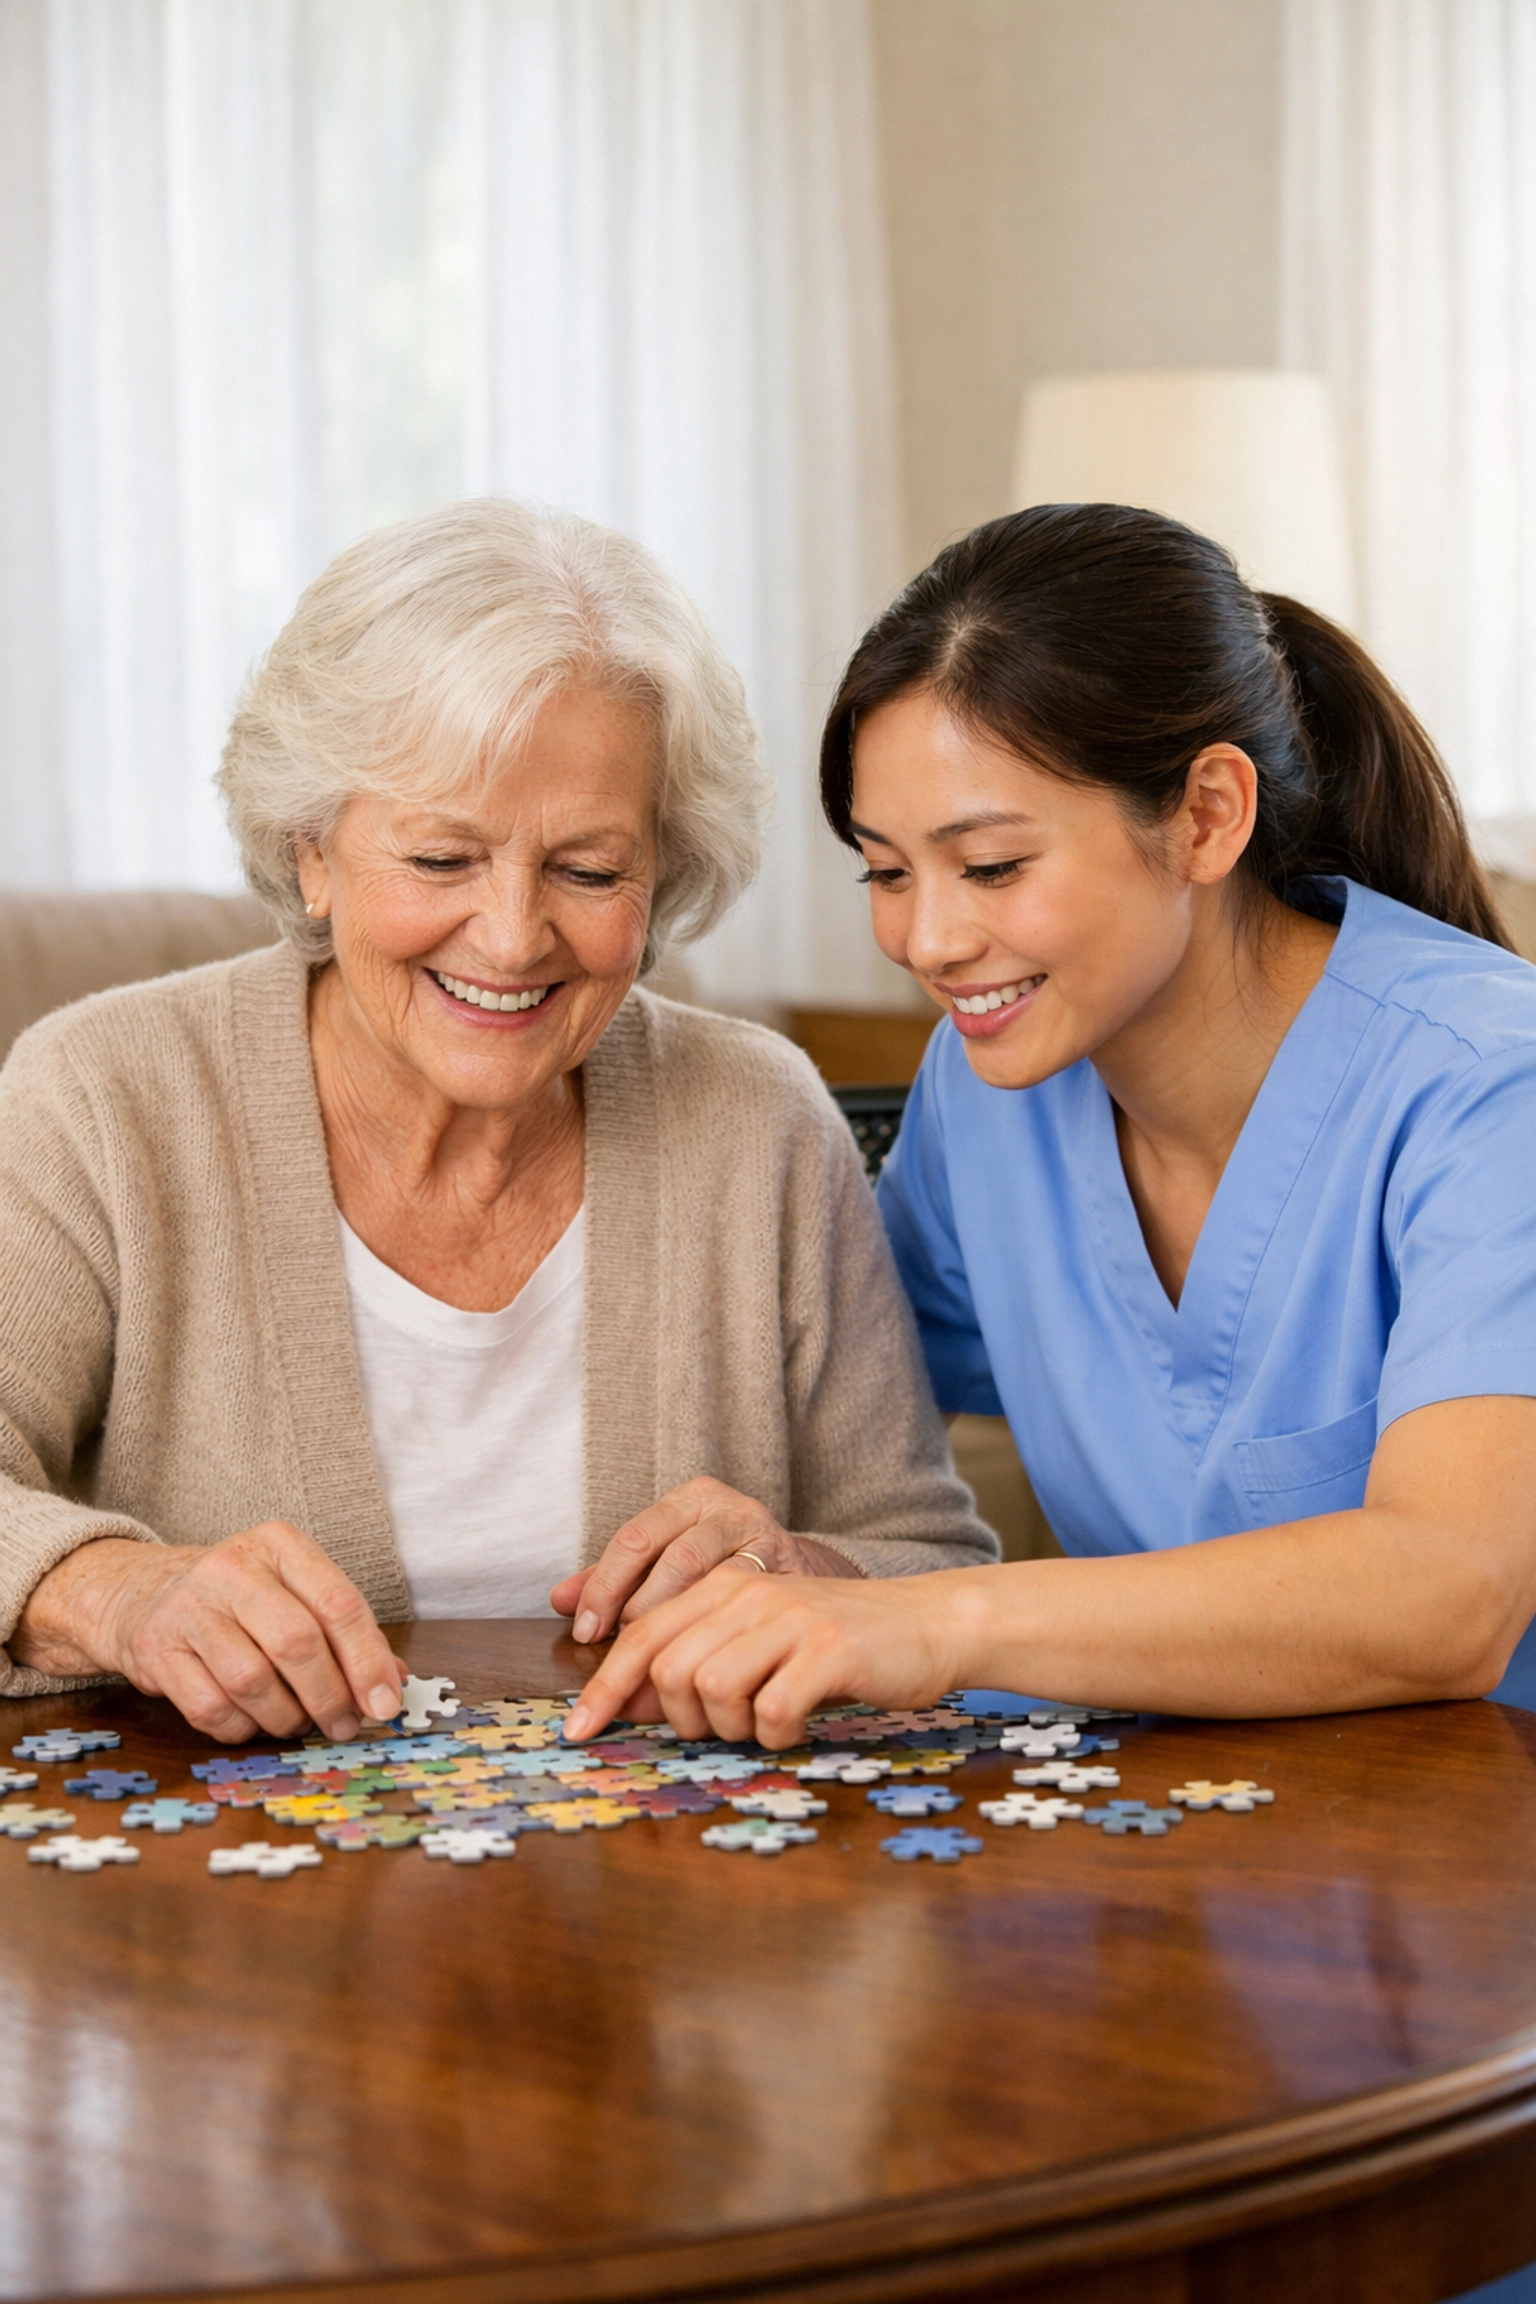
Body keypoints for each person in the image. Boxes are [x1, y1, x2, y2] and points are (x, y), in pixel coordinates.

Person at [0, 499, 993, 1742]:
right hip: (209, 1909)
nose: (515, 937)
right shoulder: (104, 1095)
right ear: (313, 849)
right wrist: (108, 1591)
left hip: (674, 1899)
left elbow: (932, 1561)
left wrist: (812, 1576)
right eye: (440, 861)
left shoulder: (759, 1120)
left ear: (665, 874)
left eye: (588, 870)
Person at [565, 501, 1536, 1750]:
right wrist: (805, 1552)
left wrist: (938, 1620)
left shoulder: (1489, 1085)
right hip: (1174, 1858)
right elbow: (832, 1391)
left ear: (1206, 816)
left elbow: (1448, 1595)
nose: (927, 940)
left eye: (991, 866)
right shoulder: (986, 1093)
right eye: (886, 870)